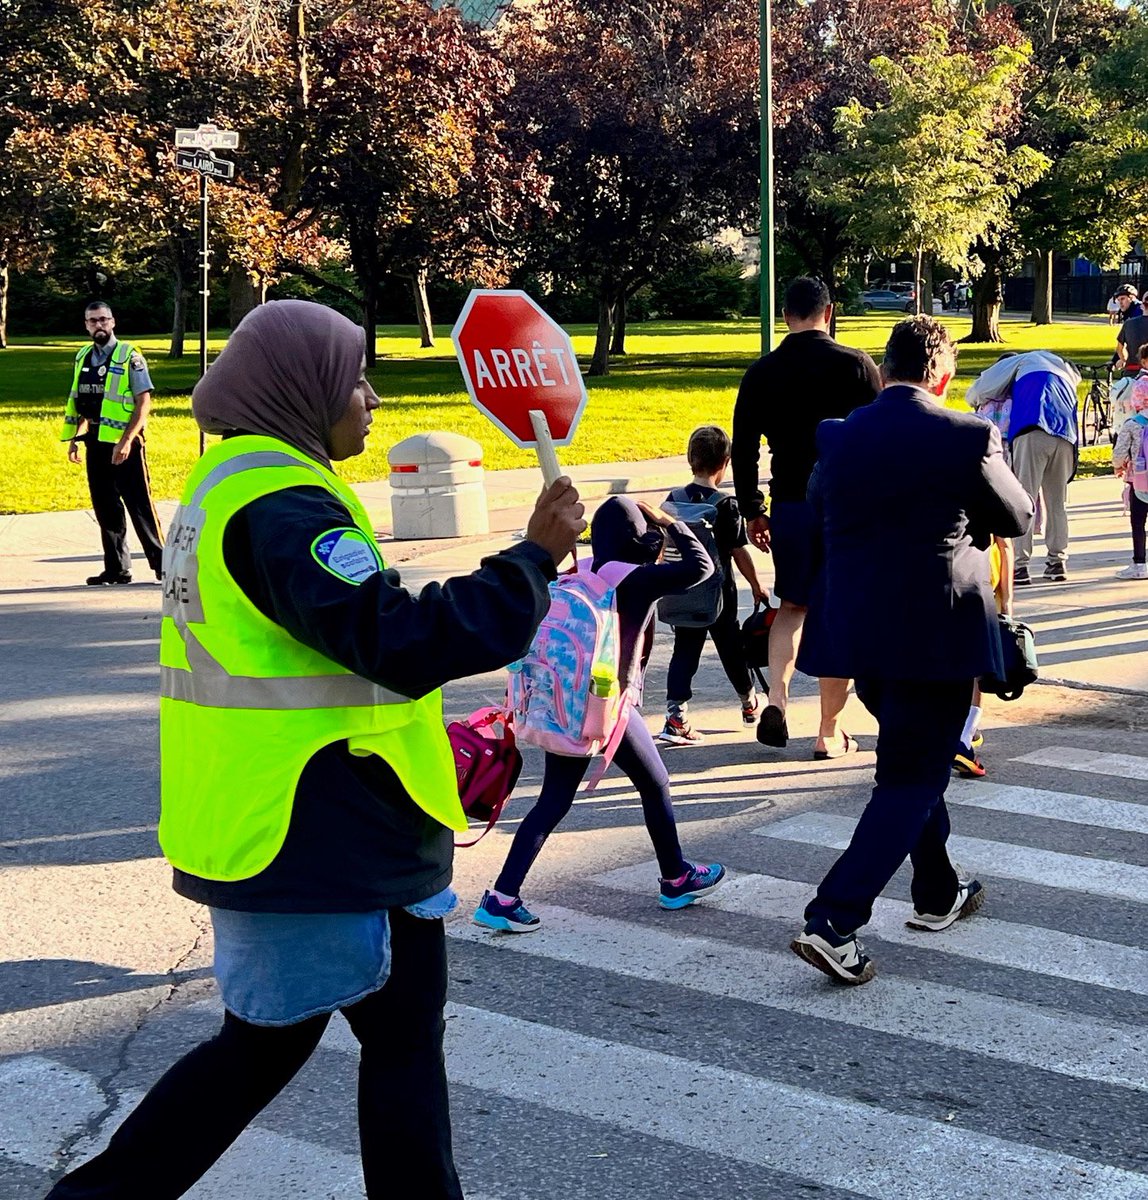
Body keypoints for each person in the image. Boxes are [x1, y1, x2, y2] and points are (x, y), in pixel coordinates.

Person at [45, 300, 586, 1200]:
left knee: (383, 1040)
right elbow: (395, 640)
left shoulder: (238, 479)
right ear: (302, 388)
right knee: (271, 1050)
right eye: (354, 379)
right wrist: (526, 563)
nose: (370, 397)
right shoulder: (281, 503)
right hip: (321, 836)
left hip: (315, 827)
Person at [790, 316, 1032, 985]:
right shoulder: (968, 436)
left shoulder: (836, 437)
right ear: (943, 375)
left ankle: (936, 893)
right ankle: (834, 920)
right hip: (936, 635)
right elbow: (1018, 518)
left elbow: (820, 509)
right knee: (912, 776)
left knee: (910, 761)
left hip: (858, 635)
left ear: (883, 369)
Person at [473, 495, 727, 933]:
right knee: (656, 782)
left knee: (556, 799)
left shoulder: (582, 572)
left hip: (568, 702)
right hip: (607, 705)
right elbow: (702, 567)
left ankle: (502, 896)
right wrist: (671, 522)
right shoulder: (635, 580)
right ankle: (675, 877)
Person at [732, 275, 881, 757]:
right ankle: (827, 731)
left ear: (785, 317)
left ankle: (776, 697)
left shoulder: (761, 372)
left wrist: (753, 509)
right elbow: (880, 433)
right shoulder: (857, 366)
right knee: (837, 609)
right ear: (829, 312)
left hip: (790, 504)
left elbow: (744, 449)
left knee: (792, 605)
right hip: (845, 506)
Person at [658, 425, 766, 745]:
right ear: (726, 463)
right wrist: (757, 585)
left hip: (681, 592)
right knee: (732, 650)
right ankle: (749, 703)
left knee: (684, 651)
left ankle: (676, 714)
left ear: (691, 459)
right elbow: (737, 550)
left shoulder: (672, 500)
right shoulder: (725, 505)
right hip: (720, 596)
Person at [61, 300, 165, 585]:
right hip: (94, 440)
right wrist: (74, 438)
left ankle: (163, 566)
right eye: (93, 321)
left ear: (113, 322)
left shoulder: (129, 355)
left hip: (125, 442)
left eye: (103, 320)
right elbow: (82, 401)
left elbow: (144, 402)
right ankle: (117, 568)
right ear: (86, 325)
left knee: (139, 503)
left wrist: (127, 440)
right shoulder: (83, 356)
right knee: (105, 505)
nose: (99, 325)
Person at [965, 350, 1080, 584]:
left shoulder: (1022, 362)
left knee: (1024, 500)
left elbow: (978, 391)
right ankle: (1057, 561)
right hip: (1065, 434)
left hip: (1032, 429)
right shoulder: (1065, 373)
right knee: (1057, 501)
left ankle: (1019, 564)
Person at [1112, 375, 1148, 580]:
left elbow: (1119, 453)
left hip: (1140, 482)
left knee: (1138, 522)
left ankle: (1140, 564)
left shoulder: (1133, 423)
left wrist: (1119, 466)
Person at [1114, 284, 1148, 374]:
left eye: (1123, 299)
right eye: (1118, 300)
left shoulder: (1138, 312)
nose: (1120, 303)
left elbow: (1133, 340)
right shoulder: (1129, 313)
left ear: (1132, 298)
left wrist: (1121, 359)